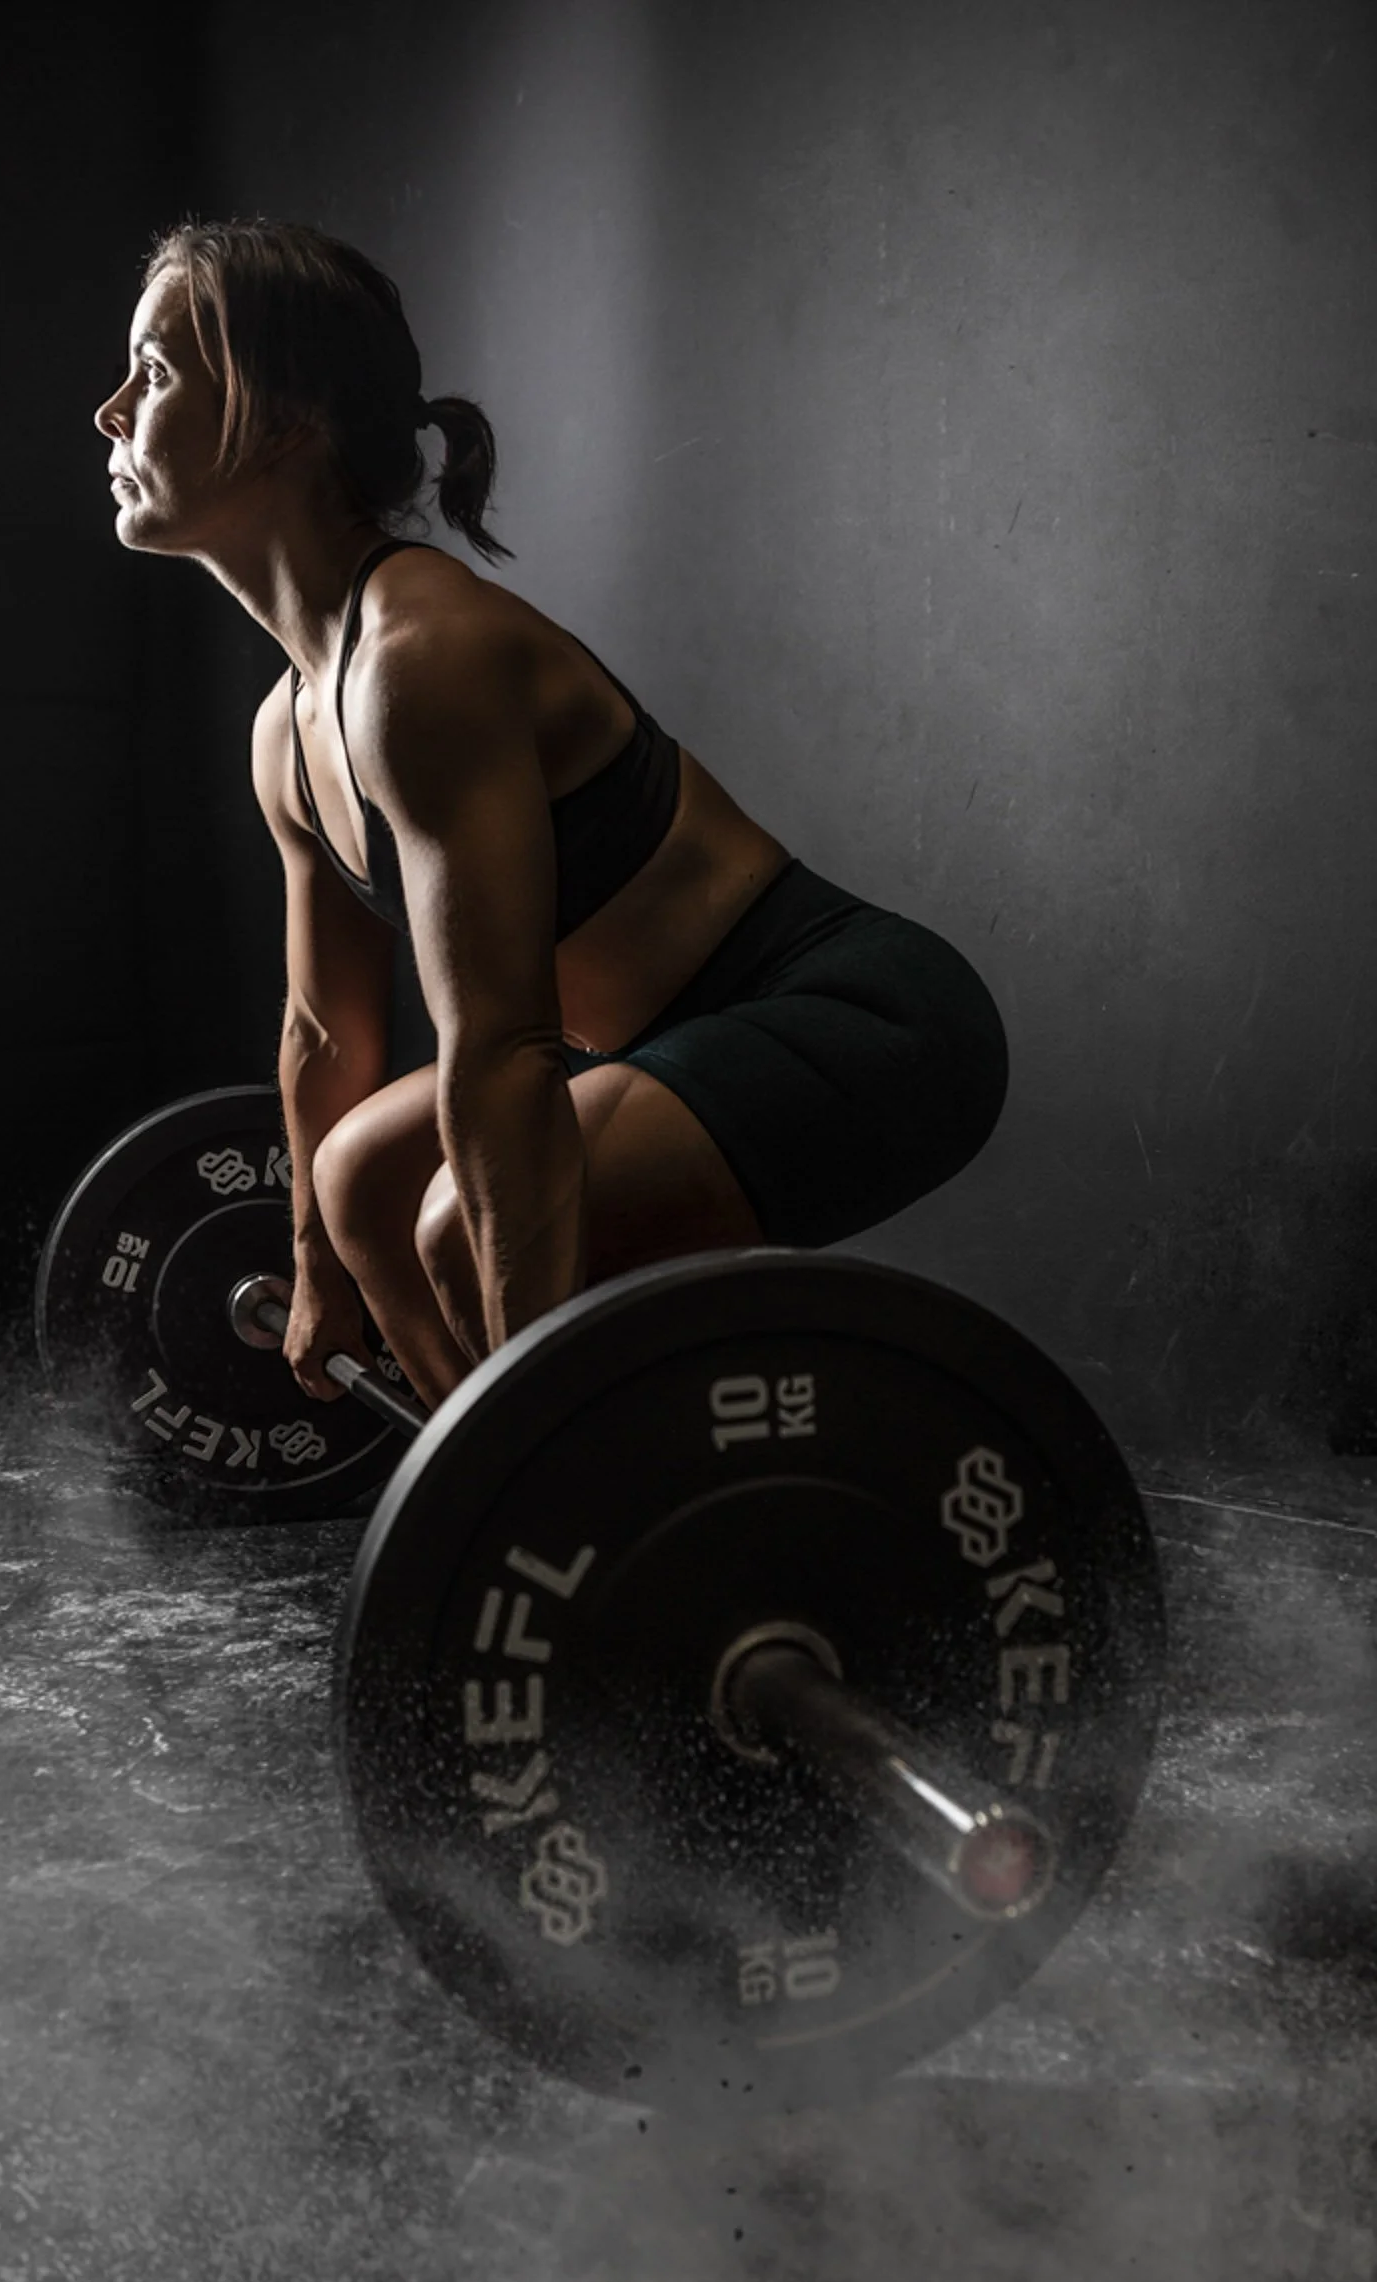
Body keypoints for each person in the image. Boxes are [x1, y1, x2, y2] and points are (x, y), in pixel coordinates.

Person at [94, 219, 1008, 1413]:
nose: (113, 410)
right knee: (359, 1179)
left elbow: (503, 1050)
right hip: (644, 1041)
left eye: (156, 372)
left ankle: (571, 1483)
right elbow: (326, 1033)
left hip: (861, 1023)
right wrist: (315, 1270)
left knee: (449, 1227)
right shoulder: (292, 727)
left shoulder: (421, 656)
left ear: (280, 416)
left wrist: (536, 1403)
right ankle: (504, 1505)